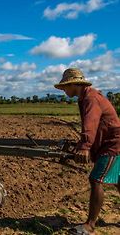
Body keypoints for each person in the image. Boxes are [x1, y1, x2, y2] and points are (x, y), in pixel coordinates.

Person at [54, 68, 120, 235]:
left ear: (74, 84)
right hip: (108, 142)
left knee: (95, 179)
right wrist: (83, 144)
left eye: (65, 87)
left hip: (113, 144)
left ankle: (89, 226)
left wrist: (84, 147)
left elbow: (90, 124)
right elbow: (93, 127)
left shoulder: (90, 98)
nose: (64, 91)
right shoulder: (86, 97)